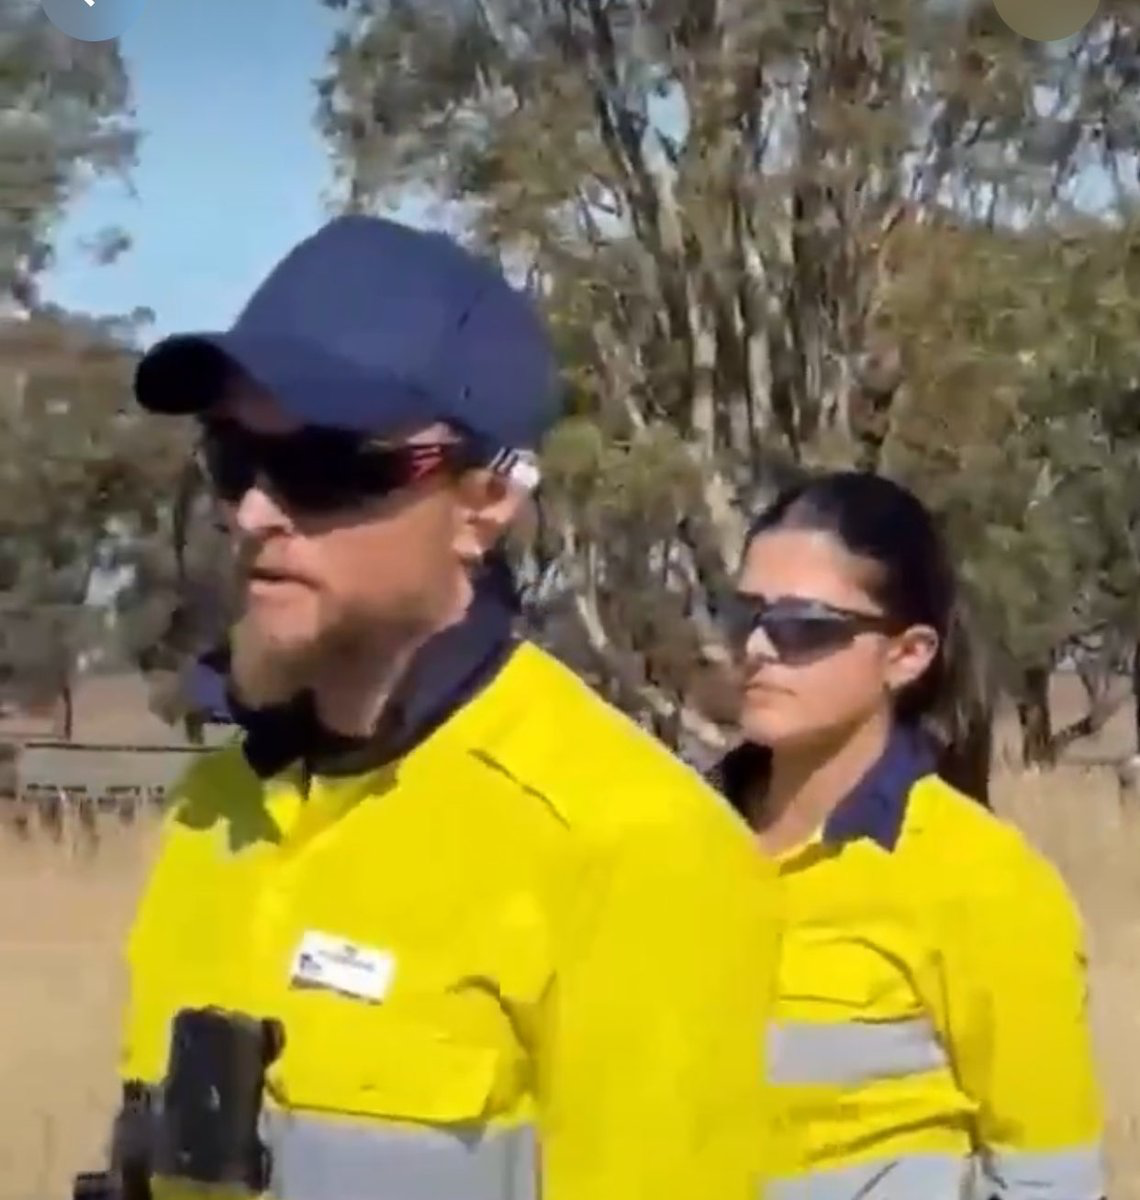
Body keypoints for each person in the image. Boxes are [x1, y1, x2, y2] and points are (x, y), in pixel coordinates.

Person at [107, 215, 781, 1200]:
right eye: (232, 463)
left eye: (326, 465)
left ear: (484, 503)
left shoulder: (636, 848)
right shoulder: (213, 813)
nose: (257, 515)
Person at [712, 470, 1105, 1200]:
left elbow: (1049, 1182)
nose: (760, 647)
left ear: (908, 654)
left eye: (804, 626)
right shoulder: (670, 841)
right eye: (744, 616)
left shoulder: (984, 882)